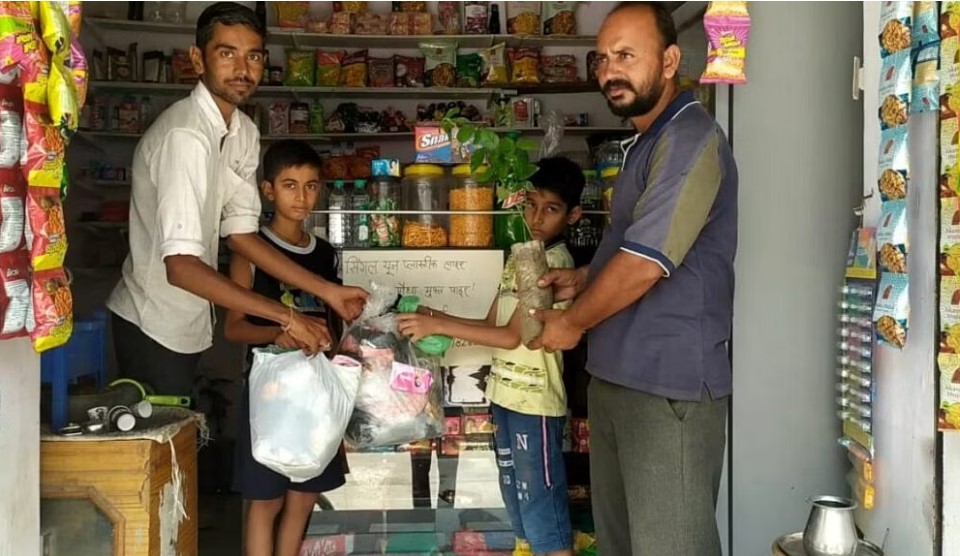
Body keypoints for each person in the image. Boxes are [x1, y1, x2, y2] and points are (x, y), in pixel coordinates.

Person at [531, 3, 738, 556]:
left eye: (626, 55)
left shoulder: (691, 138)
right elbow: (629, 247)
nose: (609, 70)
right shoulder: (644, 143)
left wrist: (572, 323)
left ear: (670, 60)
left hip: (666, 387)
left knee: (671, 546)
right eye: (602, 59)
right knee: (621, 544)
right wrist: (583, 278)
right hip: (619, 379)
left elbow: (647, 262)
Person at [106, 2, 366, 398]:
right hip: (152, 323)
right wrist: (287, 317)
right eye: (227, 54)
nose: (242, 69)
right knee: (162, 448)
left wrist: (327, 291)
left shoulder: (242, 131)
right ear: (198, 59)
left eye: (254, 56)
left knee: (186, 439)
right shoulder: (186, 137)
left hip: (192, 322)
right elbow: (180, 267)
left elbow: (243, 236)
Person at [397, 157, 585, 556]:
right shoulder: (521, 257)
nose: (536, 217)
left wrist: (440, 328)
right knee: (516, 496)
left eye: (550, 209)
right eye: (530, 204)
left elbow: (511, 336)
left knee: (541, 507)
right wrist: (434, 316)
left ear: (573, 216)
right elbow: (489, 323)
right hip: (504, 396)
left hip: (534, 403)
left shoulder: (552, 263)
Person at [224, 140, 346, 556]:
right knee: (266, 501)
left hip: (317, 396)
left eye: (311, 186)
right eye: (290, 185)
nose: (302, 196)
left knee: (303, 500)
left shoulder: (326, 255)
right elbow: (234, 329)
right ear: (268, 190)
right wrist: (277, 334)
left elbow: (333, 323)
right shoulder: (250, 250)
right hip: (268, 396)